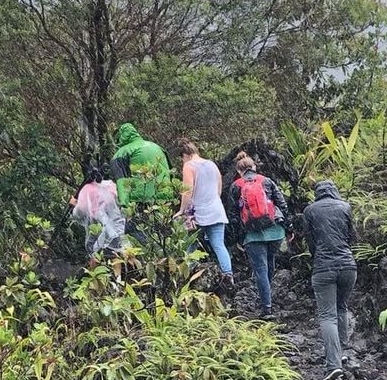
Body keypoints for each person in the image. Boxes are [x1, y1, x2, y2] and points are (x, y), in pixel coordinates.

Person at [300, 179, 356, 380]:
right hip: (348, 266)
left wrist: (317, 257)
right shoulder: (345, 207)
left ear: (317, 193)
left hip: (323, 268)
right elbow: (352, 237)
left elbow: (310, 242)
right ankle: (342, 352)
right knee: (341, 307)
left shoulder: (310, 211)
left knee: (327, 315)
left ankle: (334, 365)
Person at [226, 152, 289, 319]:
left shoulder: (236, 186)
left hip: (253, 235)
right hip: (275, 232)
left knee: (260, 269)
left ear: (239, 171)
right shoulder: (267, 181)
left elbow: (233, 216)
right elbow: (282, 205)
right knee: (270, 262)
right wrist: (289, 228)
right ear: (254, 167)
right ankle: (267, 295)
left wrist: (238, 238)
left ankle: (267, 308)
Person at [174, 138, 233, 285]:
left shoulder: (189, 166)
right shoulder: (212, 164)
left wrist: (182, 210)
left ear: (184, 155)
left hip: (198, 213)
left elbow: (187, 191)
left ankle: (188, 279)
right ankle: (228, 275)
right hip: (216, 210)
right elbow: (219, 189)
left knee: (191, 246)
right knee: (219, 245)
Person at [112, 123, 174, 213]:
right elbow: (170, 171)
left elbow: (121, 180)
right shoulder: (157, 147)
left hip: (141, 200)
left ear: (121, 137)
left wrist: (124, 206)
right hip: (164, 198)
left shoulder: (122, 152)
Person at [70, 166, 127, 259]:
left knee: (93, 251)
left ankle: (95, 268)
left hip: (105, 230)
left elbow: (79, 213)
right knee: (116, 253)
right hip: (117, 228)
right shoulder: (109, 185)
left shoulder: (86, 190)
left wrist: (74, 205)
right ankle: (118, 270)